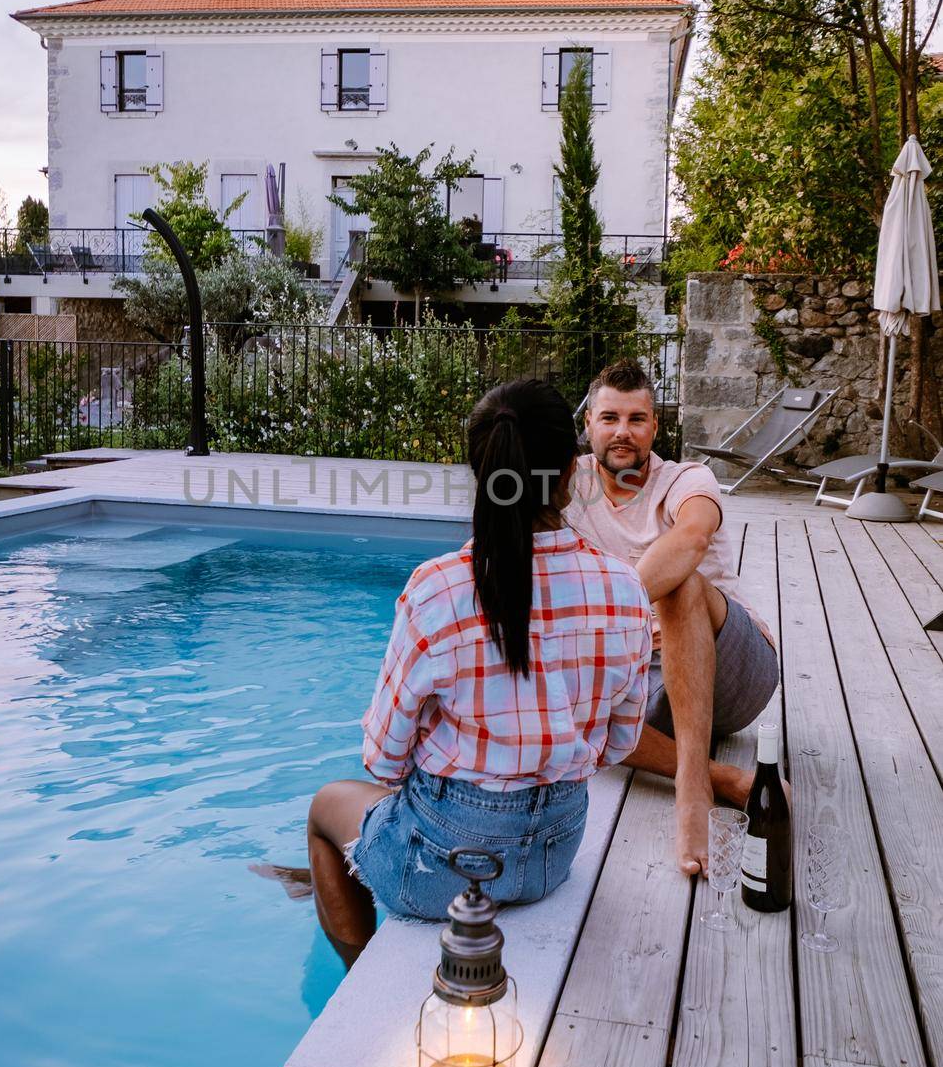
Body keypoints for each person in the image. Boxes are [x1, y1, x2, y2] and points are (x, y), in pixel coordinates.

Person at [290, 378, 654, 969]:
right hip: (553, 856)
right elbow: (619, 744)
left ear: (481, 472)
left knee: (326, 807)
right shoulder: (624, 589)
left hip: (443, 870)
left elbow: (381, 759)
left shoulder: (438, 588)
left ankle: (357, 970)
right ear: (571, 473)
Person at [564, 358, 780, 878]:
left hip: (732, 669)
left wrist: (618, 616)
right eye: (610, 418)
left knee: (681, 577)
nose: (623, 432)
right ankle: (721, 776)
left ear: (655, 427)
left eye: (636, 419)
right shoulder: (567, 487)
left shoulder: (686, 478)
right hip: (642, 681)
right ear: (588, 424)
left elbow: (692, 537)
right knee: (556, 698)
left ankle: (691, 788)